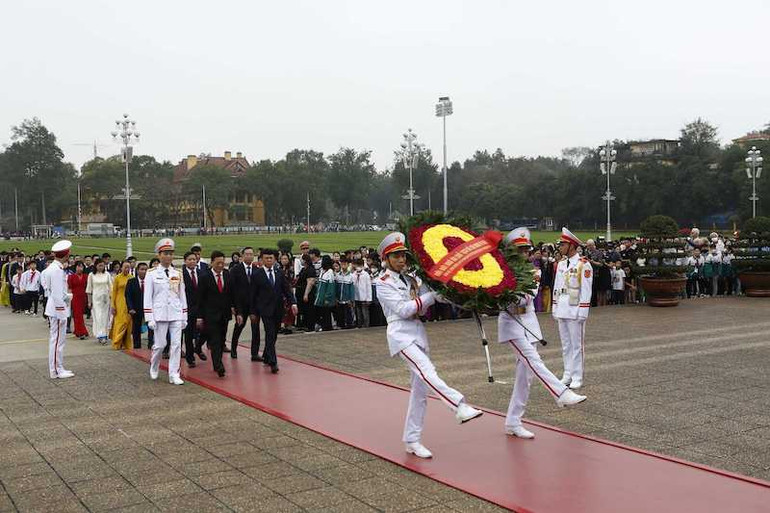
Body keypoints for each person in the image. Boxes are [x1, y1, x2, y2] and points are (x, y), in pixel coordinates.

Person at [375, 232, 482, 459]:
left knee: (420, 392)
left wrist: (457, 293)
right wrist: (431, 297)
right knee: (427, 371)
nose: (401, 260)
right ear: (386, 258)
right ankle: (459, 405)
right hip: (400, 334)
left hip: (417, 333)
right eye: (395, 256)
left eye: (403, 255)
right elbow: (404, 310)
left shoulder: (412, 279)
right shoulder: (382, 282)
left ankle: (412, 439)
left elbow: (425, 305)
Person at [498, 228, 587, 439]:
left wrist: (507, 290)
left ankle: (513, 421)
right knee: (534, 361)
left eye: (526, 250)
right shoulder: (501, 273)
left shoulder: (533, 272)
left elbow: (526, 299)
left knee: (524, 378)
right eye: (519, 250)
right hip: (511, 325)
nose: (524, 254)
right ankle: (561, 393)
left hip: (529, 323)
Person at [552, 228, 593, 390]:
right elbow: (557, 286)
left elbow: (586, 289)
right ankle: (567, 373)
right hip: (562, 307)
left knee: (577, 345)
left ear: (571, 246)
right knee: (565, 344)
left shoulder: (584, 265)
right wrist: (554, 306)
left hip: (575, 309)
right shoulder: (562, 264)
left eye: (563, 244)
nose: (560, 247)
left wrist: (583, 311)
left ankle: (577, 376)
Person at [144, 238, 188, 385]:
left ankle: (174, 373)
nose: (168, 256)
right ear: (159, 255)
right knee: (160, 344)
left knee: (176, 345)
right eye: (165, 253)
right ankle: (154, 364)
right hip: (160, 313)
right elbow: (148, 297)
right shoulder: (151, 274)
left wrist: (184, 316)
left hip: (175, 313)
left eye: (171, 253)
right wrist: (149, 317)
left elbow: (182, 295)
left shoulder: (178, 273)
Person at [249, 249, 297, 374]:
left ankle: (266, 354)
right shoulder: (257, 275)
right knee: (270, 333)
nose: (269, 260)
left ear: (275, 259)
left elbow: (286, 289)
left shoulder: (279, 272)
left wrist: (293, 302)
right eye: (266, 258)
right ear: (262, 259)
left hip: (278, 309)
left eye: (271, 258)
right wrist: (253, 312)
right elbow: (252, 295)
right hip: (265, 310)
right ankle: (273, 362)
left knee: (274, 334)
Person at [196, 251, 234, 377]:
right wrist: (200, 316)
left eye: (222, 263)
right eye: (218, 263)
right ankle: (218, 365)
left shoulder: (228, 275)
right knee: (215, 341)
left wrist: (235, 309)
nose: (220, 265)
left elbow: (233, 294)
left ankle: (201, 348)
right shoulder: (204, 277)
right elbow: (200, 298)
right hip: (210, 315)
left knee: (222, 339)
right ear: (212, 262)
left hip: (224, 314)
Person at [42, 240, 74, 379]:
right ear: (66, 255)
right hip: (57, 309)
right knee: (57, 341)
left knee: (57, 340)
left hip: (55, 307)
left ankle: (58, 367)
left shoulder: (54, 268)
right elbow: (55, 293)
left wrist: (67, 296)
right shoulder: (56, 270)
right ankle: (56, 370)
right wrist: (62, 313)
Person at [230, 247, 261, 360]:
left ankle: (254, 353)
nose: (249, 256)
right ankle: (233, 349)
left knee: (255, 329)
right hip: (240, 305)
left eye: (251, 254)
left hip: (254, 305)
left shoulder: (257, 269)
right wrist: (233, 305)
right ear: (242, 256)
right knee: (239, 327)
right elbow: (232, 288)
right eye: (247, 254)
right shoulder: (235, 269)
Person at [181, 252, 207, 367]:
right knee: (188, 334)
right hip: (187, 308)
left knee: (205, 331)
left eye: (194, 259)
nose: (192, 261)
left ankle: (198, 347)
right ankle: (190, 358)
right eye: (190, 259)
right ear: (185, 261)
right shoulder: (180, 274)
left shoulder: (202, 273)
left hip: (201, 308)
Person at [87, 259, 113, 344]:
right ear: (96, 266)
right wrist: (89, 301)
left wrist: (111, 298)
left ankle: (105, 334)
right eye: (99, 265)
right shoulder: (91, 275)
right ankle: (99, 334)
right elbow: (89, 289)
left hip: (105, 299)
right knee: (98, 317)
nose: (101, 267)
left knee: (105, 317)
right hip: (96, 298)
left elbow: (111, 287)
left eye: (103, 265)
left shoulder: (107, 274)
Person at [125, 262, 150, 349]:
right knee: (136, 328)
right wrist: (130, 308)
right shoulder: (131, 282)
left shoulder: (151, 281)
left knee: (151, 327)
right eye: (142, 269)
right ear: (137, 270)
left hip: (148, 308)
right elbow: (128, 296)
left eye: (146, 270)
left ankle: (151, 345)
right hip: (136, 308)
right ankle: (137, 345)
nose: (144, 271)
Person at [110, 261, 133, 350]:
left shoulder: (131, 278)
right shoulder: (117, 278)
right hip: (119, 302)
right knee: (120, 322)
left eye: (128, 267)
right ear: (121, 268)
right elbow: (114, 292)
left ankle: (126, 343)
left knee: (128, 323)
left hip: (129, 303)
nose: (127, 269)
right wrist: (113, 305)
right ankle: (117, 342)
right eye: (125, 267)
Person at [314, 256, 336, 331]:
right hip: (320, 295)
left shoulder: (330, 272)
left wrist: (327, 298)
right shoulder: (322, 271)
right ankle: (323, 325)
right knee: (321, 312)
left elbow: (330, 287)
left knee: (326, 313)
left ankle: (327, 326)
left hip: (326, 297)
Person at [67, 262, 89, 339]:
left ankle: (78, 330)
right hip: (75, 297)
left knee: (81, 315)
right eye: (78, 267)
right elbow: (69, 288)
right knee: (77, 315)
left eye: (81, 267)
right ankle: (81, 331)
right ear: (75, 267)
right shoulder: (71, 277)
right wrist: (69, 299)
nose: (80, 268)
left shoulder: (86, 276)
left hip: (83, 297)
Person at [295, 253, 316, 331]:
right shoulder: (304, 269)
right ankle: (303, 324)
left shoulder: (310, 269)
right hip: (300, 291)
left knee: (309, 310)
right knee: (303, 309)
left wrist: (306, 294)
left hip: (307, 292)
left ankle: (310, 326)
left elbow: (310, 282)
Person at [278, 252, 296, 334]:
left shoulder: (290, 269)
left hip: (288, 291)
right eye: (282, 259)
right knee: (282, 309)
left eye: (285, 259)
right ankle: (283, 325)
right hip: (281, 292)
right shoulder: (280, 269)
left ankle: (288, 326)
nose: (284, 260)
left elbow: (290, 281)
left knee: (289, 310)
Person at [352, 258, 372, 328]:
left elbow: (368, 286)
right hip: (356, 297)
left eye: (360, 265)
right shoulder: (354, 274)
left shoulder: (366, 274)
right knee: (358, 313)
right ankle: (359, 325)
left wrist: (369, 298)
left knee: (365, 313)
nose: (358, 267)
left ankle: (366, 326)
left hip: (364, 297)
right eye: (357, 265)